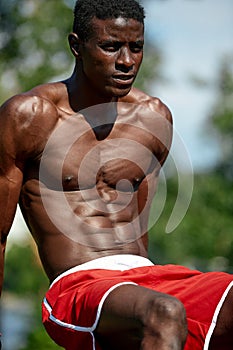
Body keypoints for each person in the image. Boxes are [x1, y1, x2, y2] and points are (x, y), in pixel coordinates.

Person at [0, 0, 233, 349]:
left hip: (147, 281)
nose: (126, 61)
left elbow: (139, 226)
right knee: (164, 312)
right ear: (76, 46)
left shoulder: (154, 118)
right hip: (77, 287)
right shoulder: (29, 116)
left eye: (135, 47)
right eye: (111, 47)